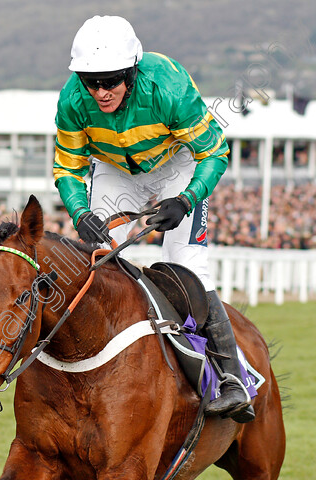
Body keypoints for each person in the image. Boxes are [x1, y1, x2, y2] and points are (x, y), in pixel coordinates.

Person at [53, 16, 254, 423]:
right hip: (114, 169)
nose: (100, 92)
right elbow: (68, 168)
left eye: (110, 81)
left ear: (131, 71)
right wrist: (80, 212)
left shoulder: (169, 87)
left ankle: (231, 378)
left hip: (177, 164)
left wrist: (185, 199)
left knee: (186, 267)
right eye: (91, 82)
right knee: (98, 260)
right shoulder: (72, 100)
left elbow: (213, 152)